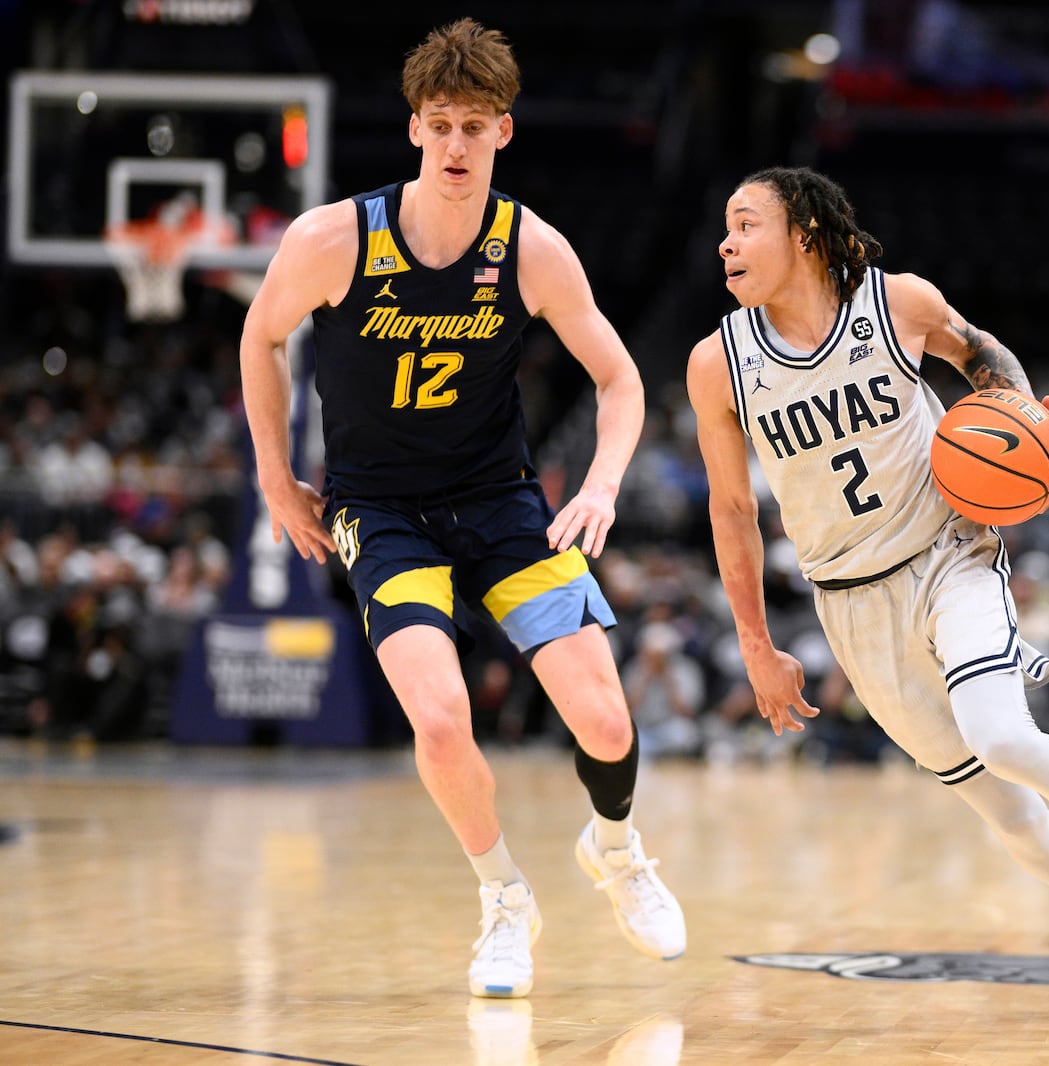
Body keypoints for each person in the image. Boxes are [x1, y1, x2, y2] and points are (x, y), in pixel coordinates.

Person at [685, 165, 1049, 1023]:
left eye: (746, 225)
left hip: (948, 553)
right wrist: (754, 644)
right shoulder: (719, 362)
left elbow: (981, 354)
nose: (727, 243)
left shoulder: (896, 305)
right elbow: (732, 507)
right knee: (1001, 811)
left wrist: (1034, 425)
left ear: (804, 235)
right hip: (850, 601)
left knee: (1004, 736)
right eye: (725, 229)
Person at [238, 18, 685, 998]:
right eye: (438, 124)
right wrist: (276, 472)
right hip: (382, 511)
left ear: (503, 134)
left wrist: (603, 483)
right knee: (439, 720)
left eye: (473, 127)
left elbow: (619, 380)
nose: (454, 145)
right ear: (412, 130)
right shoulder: (334, 238)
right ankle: (503, 899)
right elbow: (259, 336)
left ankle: (615, 847)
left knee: (605, 722)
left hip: (500, 505)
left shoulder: (530, 247)